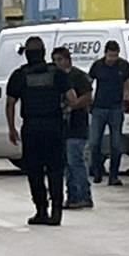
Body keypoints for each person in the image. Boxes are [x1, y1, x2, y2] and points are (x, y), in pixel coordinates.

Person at [6, 37, 76, 226]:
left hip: (32, 128)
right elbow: (72, 98)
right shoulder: (57, 73)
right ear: (44, 52)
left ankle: (41, 210)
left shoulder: (19, 75)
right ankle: (56, 211)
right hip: (54, 127)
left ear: (27, 54)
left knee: (34, 171)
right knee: (55, 170)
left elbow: (10, 103)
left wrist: (11, 128)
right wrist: (64, 110)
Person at [51, 47, 94, 210]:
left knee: (76, 161)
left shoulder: (78, 76)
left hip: (77, 125)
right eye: (54, 60)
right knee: (67, 165)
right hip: (62, 127)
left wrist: (72, 105)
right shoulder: (56, 77)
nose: (57, 63)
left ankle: (83, 195)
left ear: (68, 60)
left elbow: (88, 97)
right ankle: (72, 196)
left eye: (60, 59)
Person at [88, 40, 129, 187]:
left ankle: (113, 175)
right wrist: (88, 101)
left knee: (116, 144)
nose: (112, 59)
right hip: (99, 108)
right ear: (105, 53)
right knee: (94, 142)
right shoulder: (97, 66)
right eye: (110, 56)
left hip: (116, 108)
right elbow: (88, 84)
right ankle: (97, 170)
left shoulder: (123, 66)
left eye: (115, 56)